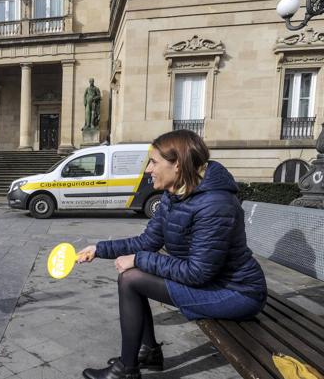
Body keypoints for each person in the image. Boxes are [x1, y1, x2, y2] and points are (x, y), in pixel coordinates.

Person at [76, 130, 267, 379]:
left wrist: (138, 259)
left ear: (177, 164)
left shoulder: (215, 205)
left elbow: (197, 272)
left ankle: (127, 369)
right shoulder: (175, 194)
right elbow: (148, 240)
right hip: (215, 282)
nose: (148, 170)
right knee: (132, 276)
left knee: (132, 278)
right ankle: (147, 352)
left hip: (237, 292)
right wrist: (99, 249)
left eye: (153, 162)